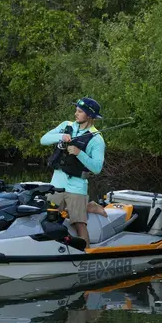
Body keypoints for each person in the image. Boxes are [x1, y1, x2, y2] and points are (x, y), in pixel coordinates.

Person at [40, 97, 106, 248]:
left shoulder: (97, 139)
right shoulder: (66, 126)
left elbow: (97, 168)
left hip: (77, 186)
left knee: (79, 224)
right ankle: (89, 205)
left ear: (89, 116)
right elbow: (43, 139)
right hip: (56, 184)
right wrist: (61, 136)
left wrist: (79, 153)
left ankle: (85, 254)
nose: (76, 114)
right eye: (76, 110)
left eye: (80, 111)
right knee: (49, 220)